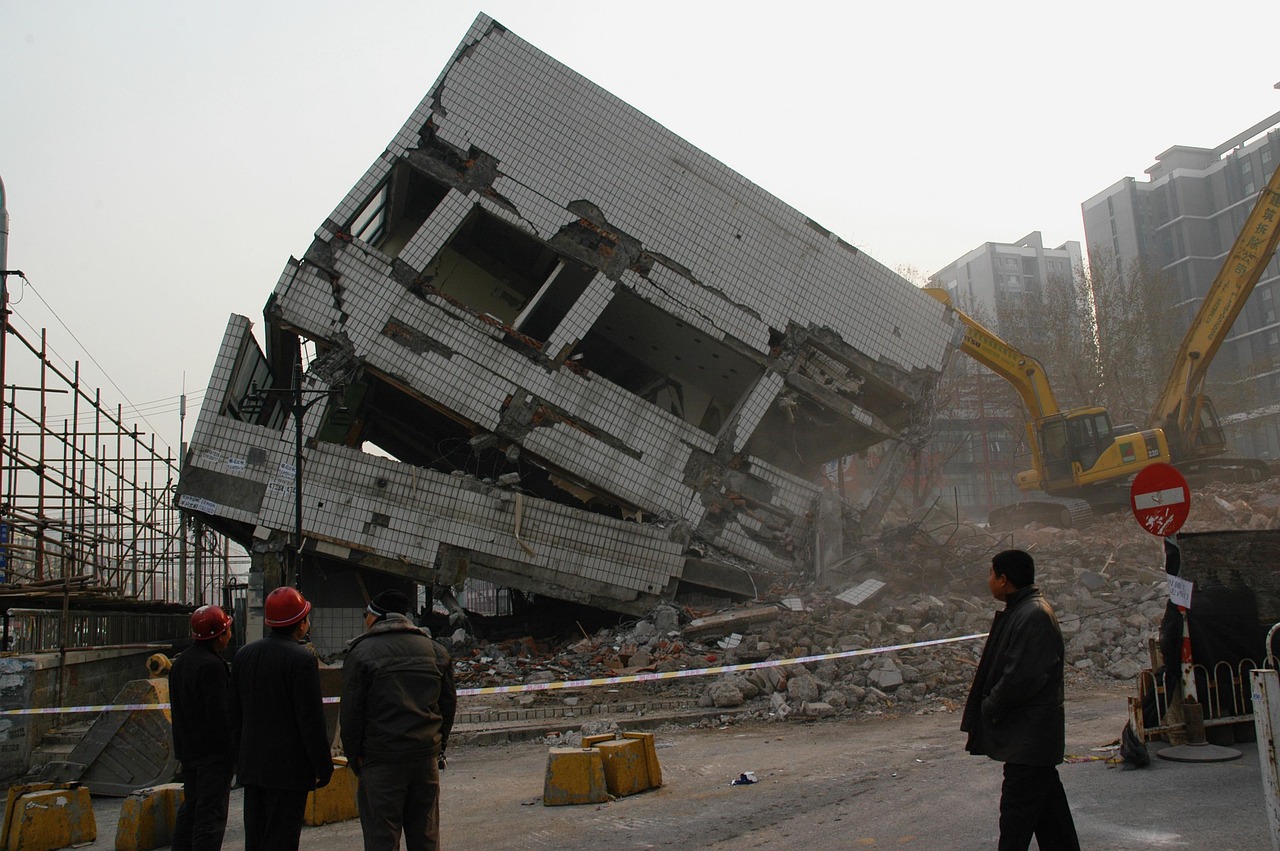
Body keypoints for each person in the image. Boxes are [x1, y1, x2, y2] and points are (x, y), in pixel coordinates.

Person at [961, 549, 1080, 851]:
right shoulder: (1024, 610)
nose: (988, 580)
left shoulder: (1033, 615)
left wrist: (990, 706)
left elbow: (1019, 678)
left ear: (1004, 580)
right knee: (1051, 821)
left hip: (1029, 740)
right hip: (1032, 741)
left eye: (991, 573)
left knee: (1015, 820)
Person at [341, 588, 456, 851]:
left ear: (378, 618)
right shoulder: (435, 651)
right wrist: (439, 747)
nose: (364, 621)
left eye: (366, 615)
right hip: (424, 760)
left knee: (382, 839)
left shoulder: (360, 654)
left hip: (381, 762)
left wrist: (355, 757)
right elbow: (448, 706)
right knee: (425, 838)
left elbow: (351, 715)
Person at [230, 587, 334, 851]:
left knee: (256, 837)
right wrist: (323, 766)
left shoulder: (243, 655)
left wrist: (238, 759)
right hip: (288, 771)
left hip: (253, 767)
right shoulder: (301, 660)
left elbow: (235, 712)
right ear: (300, 624)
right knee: (282, 839)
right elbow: (310, 719)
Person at [170, 604, 235, 851]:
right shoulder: (212, 667)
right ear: (219, 635)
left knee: (191, 809)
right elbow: (220, 716)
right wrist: (232, 749)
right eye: (227, 629)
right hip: (212, 757)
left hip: (189, 753)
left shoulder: (181, 662)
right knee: (210, 817)